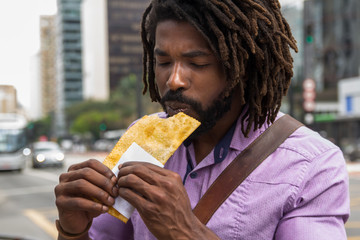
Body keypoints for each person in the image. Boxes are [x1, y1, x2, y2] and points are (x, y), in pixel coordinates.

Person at [54, 0, 350, 239]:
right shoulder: (141, 138)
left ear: (242, 67)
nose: (174, 80)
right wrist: (73, 229)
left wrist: (185, 231)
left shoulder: (314, 165)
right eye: (163, 62)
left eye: (197, 63)